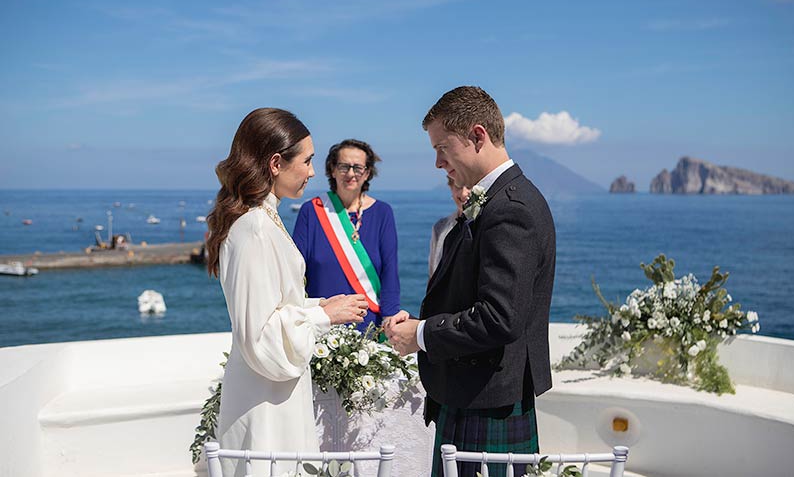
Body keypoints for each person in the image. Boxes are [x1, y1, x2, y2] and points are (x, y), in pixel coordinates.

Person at [386, 86, 556, 477]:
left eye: (442, 148)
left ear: (477, 136)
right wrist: (419, 324)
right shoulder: (495, 201)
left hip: (488, 400)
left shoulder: (511, 210)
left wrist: (423, 335)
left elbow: (500, 317)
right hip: (473, 395)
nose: (437, 163)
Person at [206, 108, 368, 477]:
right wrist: (324, 316)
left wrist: (319, 304)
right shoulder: (254, 228)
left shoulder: (265, 219)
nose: (313, 172)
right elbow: (261, 338)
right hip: (264, 405)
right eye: (308, 161)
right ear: (276, 163)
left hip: (272, 396)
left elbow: (275, 303)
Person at [293, 139, 402, 333]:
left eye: (358, 168)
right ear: (332, 170)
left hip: (369, 328)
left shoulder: (382, 212)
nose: (351, 174)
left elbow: (389, 271)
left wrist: (390, 318)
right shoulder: (311, 211)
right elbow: (295, 273)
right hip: (322, 325)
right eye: (344, 167)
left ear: (367, 173)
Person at [428, 177, 470, 278]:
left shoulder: (486, 226)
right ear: (451, 187)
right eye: (458, 186)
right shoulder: (440, 227)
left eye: (469, 186)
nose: (464, 193)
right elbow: (432, 276)